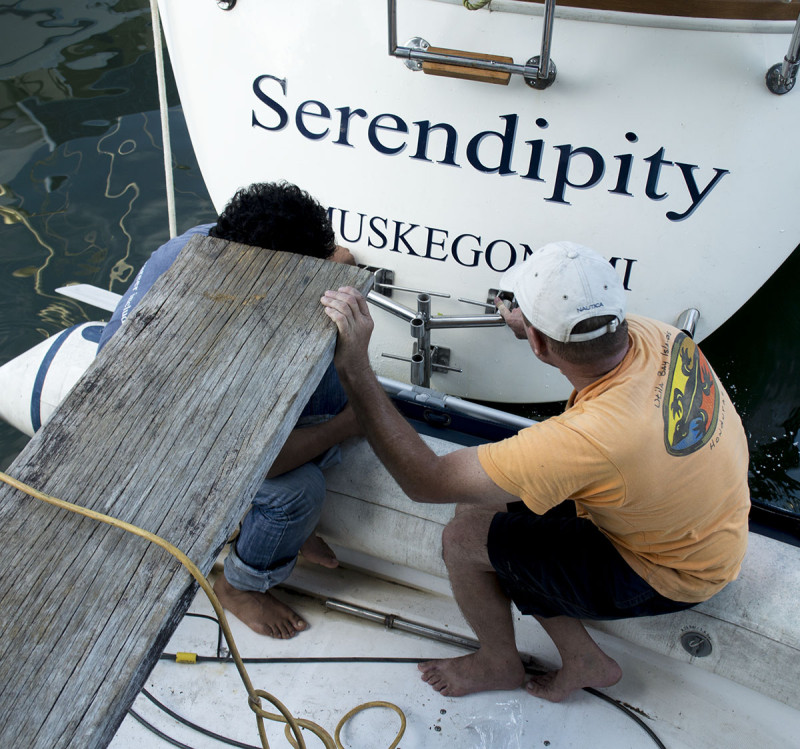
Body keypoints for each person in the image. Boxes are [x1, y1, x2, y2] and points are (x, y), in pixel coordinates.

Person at [320, 240, 750, 702]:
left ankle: (498, 662)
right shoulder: (657, 337)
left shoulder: (587, 440)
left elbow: (426, 482)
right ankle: (585, 658)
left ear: (540, 342)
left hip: (669, 572)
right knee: (481, 501)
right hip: (698, 522)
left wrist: (356, 367)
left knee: (463, 540)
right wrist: (531, 325)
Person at [98, 181, 361, 639]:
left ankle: (290, 540)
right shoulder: (196, 341)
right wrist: (350, 422)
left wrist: (317, 269)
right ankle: (239, 587)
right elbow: (265, 459)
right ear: (268, 268)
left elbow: (342, 257)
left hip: (201, 398)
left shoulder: (217, 239)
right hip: (159, 433)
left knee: (322, 380)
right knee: (296, 492)